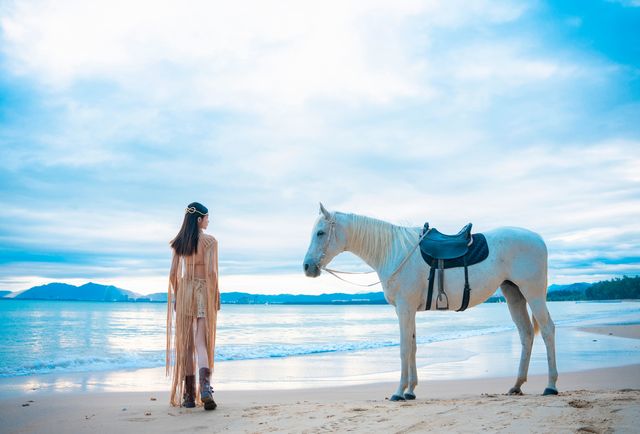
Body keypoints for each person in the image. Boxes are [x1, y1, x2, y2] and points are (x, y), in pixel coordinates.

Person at [166, 202, 220, 410]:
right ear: (199, 219)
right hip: (203, 291)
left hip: (185, 291)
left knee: (186, 344)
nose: (208, 221)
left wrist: (179, 294)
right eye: (207, 217)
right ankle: (205, 388)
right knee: (200, 342)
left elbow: (173, 274)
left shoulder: (179, 242)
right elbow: (212, 273)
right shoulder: (210, 242)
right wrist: (215, 295)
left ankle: (188, 396)